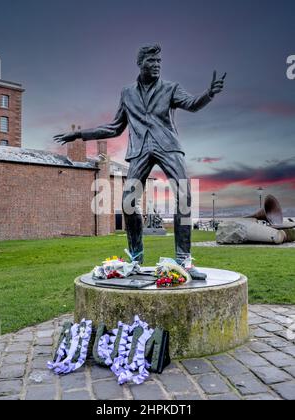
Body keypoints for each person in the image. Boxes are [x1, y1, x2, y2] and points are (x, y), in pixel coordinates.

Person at [54, 44, 226, 280]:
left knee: (184, 195)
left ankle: (184, 260)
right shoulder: (127, 93)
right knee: (127, 203)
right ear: (140, 63)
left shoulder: (170, 88)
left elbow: (193, 104)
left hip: (168, 147)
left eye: (159, 62)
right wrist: (79, 135)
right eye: (152, 62)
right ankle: (135, 259)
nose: (156, 66)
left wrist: (209, 93)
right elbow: (114, 127)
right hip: (140, 151)